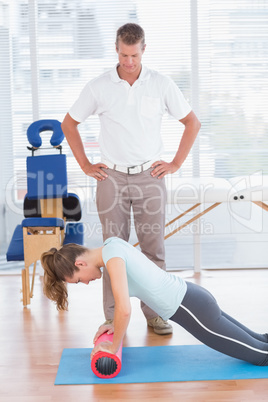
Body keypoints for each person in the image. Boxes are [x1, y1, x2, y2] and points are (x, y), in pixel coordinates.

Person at [61, 22, 201, 335]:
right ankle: (112, 319)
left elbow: (192, 122)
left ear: (143, 50)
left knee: (153, 249)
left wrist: (176, 163)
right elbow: (69, 124)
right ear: (116, 49)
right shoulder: (99, 86)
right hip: (110, 177)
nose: (129, 62)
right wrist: (85, 164)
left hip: (149, 176)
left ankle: (156, 314)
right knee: (113, 249)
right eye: (124, 55)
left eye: (134, 55)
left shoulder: (161, 84)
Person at [41, 237, 268, 366]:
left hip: (191, 308)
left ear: (80, 264)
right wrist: (113, 325)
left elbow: (124, 309)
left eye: (79, 280)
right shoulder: (112, 245)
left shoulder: (113, 259)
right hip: (194, 298)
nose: (86, 283)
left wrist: (112, 346)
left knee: (261, 356)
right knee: (261, 341)